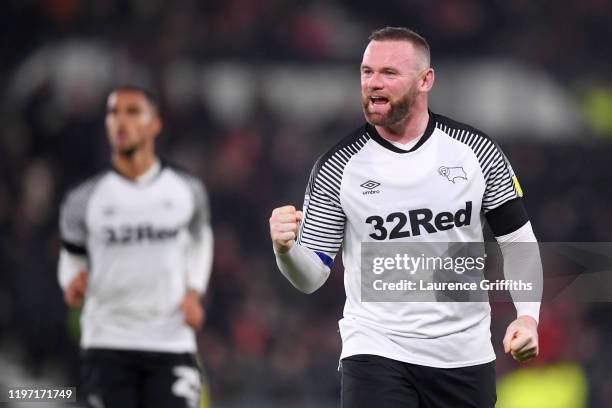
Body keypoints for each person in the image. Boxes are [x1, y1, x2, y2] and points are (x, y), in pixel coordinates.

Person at [269, 27, 541, 407]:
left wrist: (528, 317)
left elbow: (517, 243)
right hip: (376, 350)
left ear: (425, 80)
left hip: (464, 356)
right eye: (366, 72)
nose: (373, 83)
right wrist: (285, 251)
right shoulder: (337, 167)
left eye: (389, 73)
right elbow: (311, 276)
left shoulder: (476, 152)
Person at [58, 86, 213, 408]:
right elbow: (71, 256)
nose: (121, 121)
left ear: (154, 124)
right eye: (114, 113)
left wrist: (194, 292)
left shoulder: (187, 190)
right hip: (107, 340)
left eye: (132, 112)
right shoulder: (84, 198)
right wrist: (71, 281)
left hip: (171, 339)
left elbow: (201, 240)